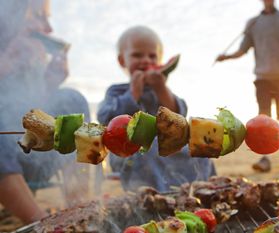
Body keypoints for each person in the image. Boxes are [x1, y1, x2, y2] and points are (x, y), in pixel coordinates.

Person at [0, 0, 90, 224]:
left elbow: (29, 118)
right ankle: (41, 223)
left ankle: (80, 212)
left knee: (71, 99)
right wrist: (5, 64)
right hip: (4, 160)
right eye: (40, 16)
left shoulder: (31, 63)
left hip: (30, 158)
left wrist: (50, 83)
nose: (49, 29)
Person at [97, 25, 216, 192]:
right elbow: (105, 117)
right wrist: (133, 94)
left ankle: (200, 189)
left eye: (152, 56)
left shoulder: (160, 91)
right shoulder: (116, 91)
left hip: (168, 153)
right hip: (129, 154)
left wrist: (161, 89)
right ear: (122, 60)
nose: (146, 60)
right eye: (137, 55)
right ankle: (161, 197)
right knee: (149, 146)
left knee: (198, 145)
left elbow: (179, 117)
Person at [215, 0, 279, 172]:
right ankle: (264, 158)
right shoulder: (252, 23)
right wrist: (226, 57)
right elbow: (243, 50)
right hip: (262, 77)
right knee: (263, 117)